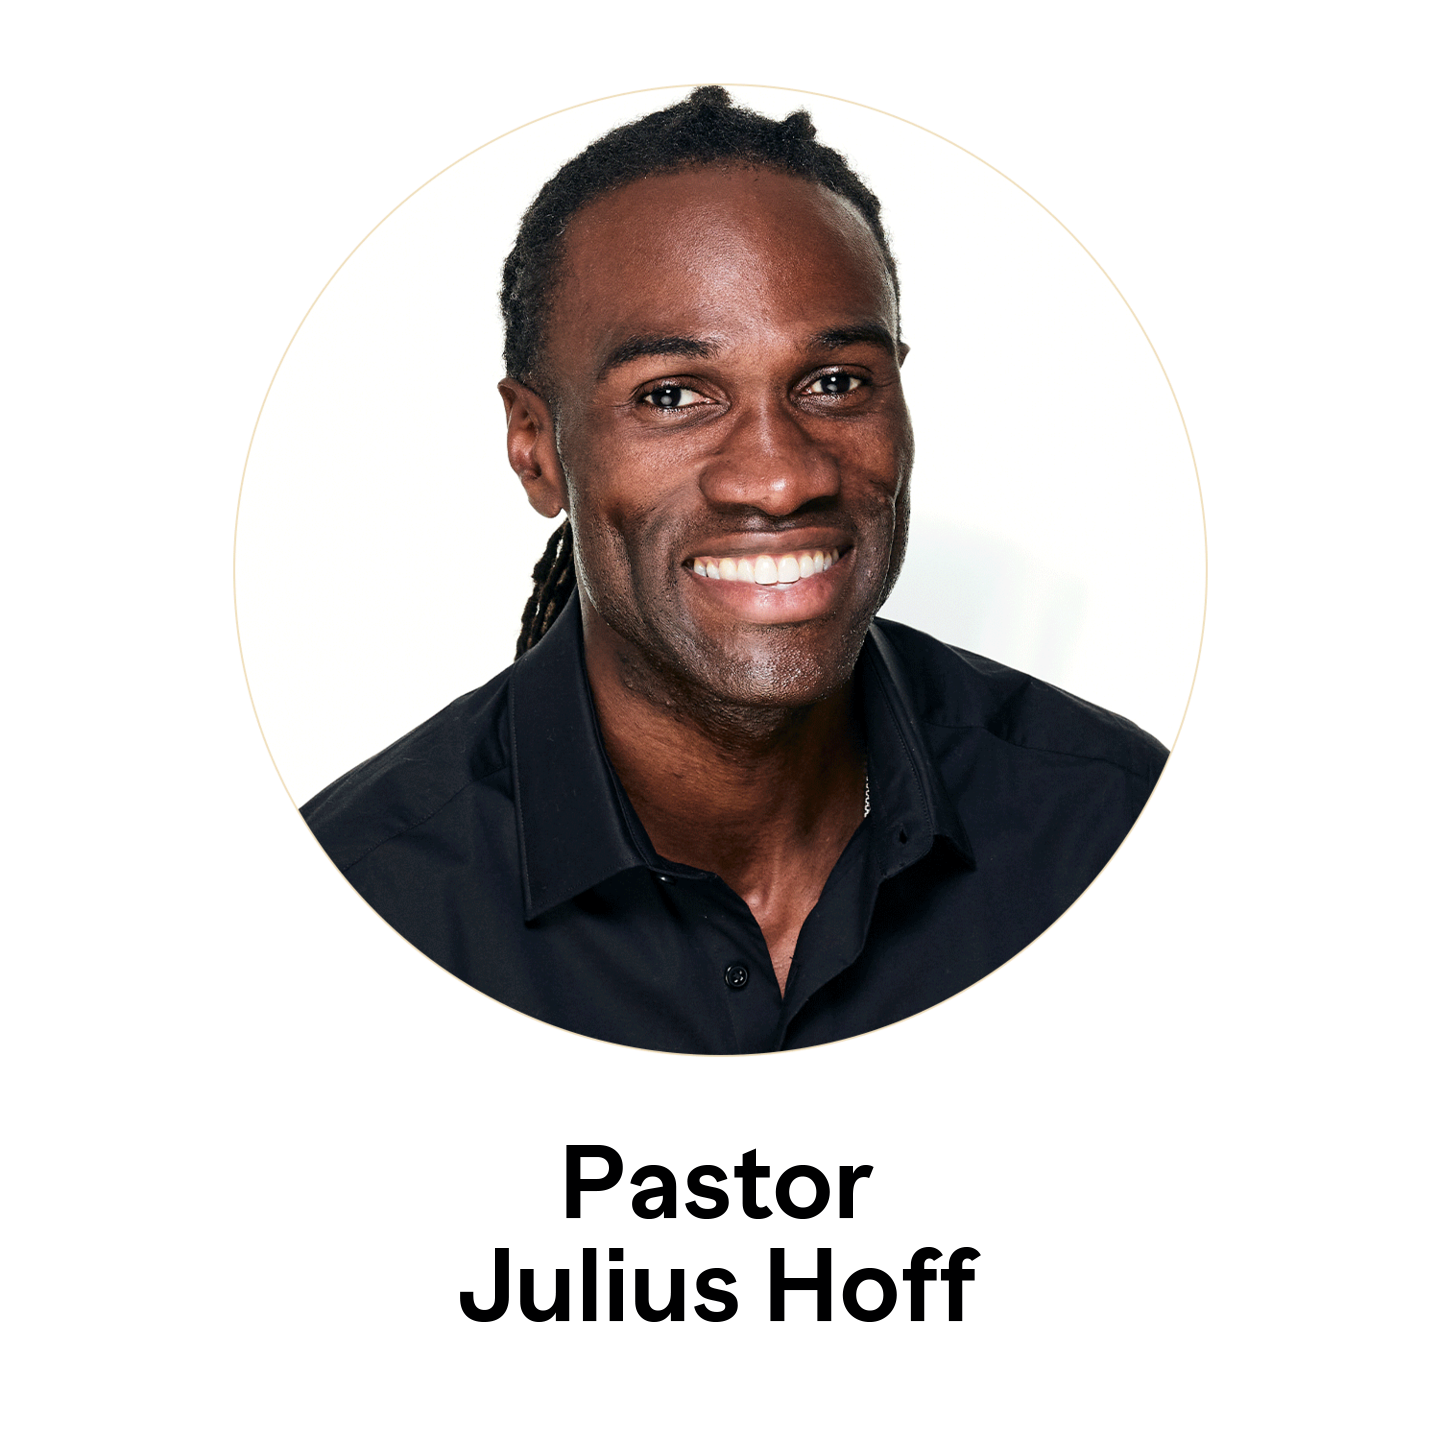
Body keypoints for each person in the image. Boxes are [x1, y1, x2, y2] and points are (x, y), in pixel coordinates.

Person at [301, 87, 1168, 1053]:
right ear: (536, 446)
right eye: (673, 396)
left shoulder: (1116, 822)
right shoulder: (374, 882)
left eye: (835, 382)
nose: (782, 477)